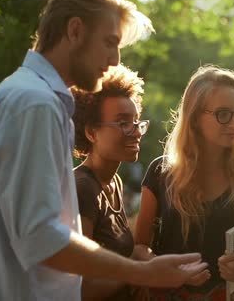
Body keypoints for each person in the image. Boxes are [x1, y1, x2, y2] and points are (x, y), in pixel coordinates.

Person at [0, 0, 206, 300]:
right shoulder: (35, 103)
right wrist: (142, 272)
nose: (115, 59)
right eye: (109, 42)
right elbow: (40, 236)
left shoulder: (23, 95)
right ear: (75, 31)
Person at [134, 65, 234, 300]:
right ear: (195, 118)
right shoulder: (161, 172)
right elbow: (139, 248)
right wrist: (168, 269)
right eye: (223, 114)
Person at [72, 65, 157, 300]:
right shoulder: (83, 188)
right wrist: (140, 270)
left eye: (137, 121)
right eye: (123, 123)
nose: (136, 131)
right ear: (91, 132)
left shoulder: (114, 182)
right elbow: (81, 289)